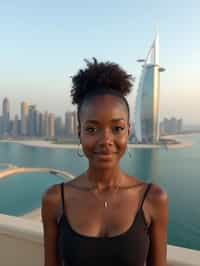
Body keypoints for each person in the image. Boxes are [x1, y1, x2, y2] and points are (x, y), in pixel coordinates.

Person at [41, 58, 168, 266]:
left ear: (129, 131)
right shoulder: (55, 199)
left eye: (117, 128)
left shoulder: (154, 199)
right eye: (92, 129)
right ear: (79, 132)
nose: (106, 140)